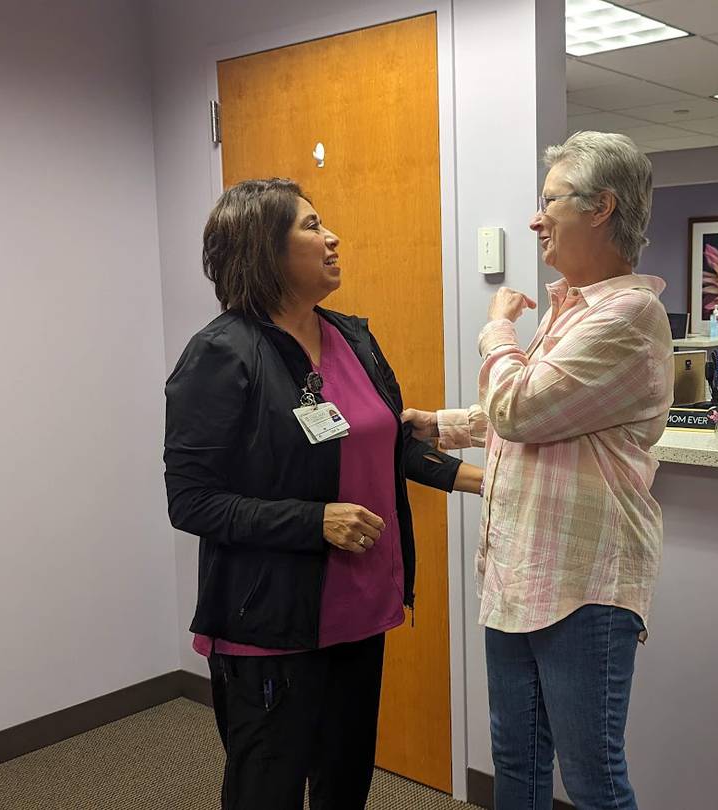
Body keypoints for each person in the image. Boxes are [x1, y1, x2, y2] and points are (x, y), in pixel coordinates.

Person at [164, 178, 483, 810]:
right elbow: (191, 500)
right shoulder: (220, 355)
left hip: (360, 608)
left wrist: (481, 480)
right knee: (267, 791)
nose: (332, 237)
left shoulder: (353, 338)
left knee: (344, 784)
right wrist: (313, 522)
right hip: (272, 622)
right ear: (264, 250)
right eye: (311, 227)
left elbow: (384, 441)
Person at [402, 131, 673, 810]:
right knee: (516, 765)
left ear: (602, 207)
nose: (535, 218)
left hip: (582, 587)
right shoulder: (573, 309)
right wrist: (441, 424)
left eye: (550, 200)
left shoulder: (629, 314)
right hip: (516, 574)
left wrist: (496, 326)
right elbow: (541, 414)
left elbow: (521, 407)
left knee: (592, 778)